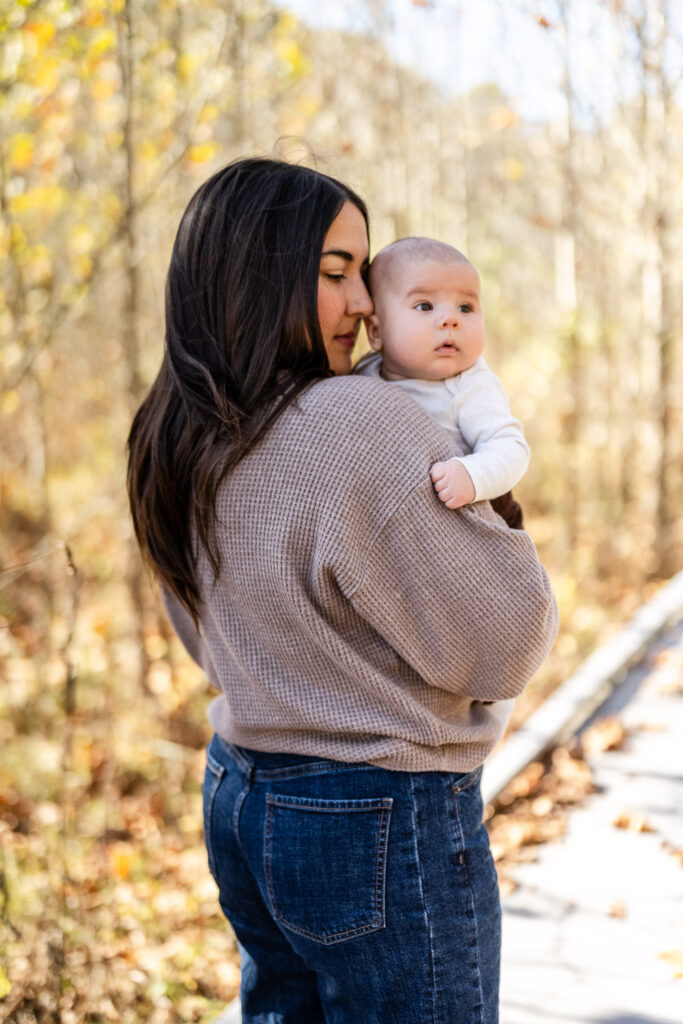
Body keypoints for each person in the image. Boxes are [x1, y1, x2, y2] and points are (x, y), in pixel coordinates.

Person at [127, 157, 558, 1024]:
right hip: (379, 809)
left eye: (361, 277)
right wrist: (498, 523)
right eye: (334, 276)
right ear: (255, 278)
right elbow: (506, 642)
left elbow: (202, 634)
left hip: (238, 793)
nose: (364, 304)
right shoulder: (358, 422)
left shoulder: (171, 429)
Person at [356, 236, 529, 523]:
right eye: (425, 306)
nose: (451, 319)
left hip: (463, 526)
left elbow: (511, 449)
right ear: (376, 332)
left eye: (466, 307)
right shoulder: (362, 374)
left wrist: (471, 476)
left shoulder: (469, 384)